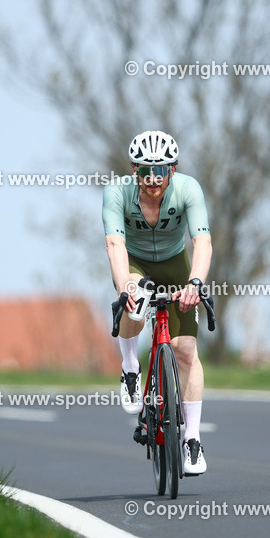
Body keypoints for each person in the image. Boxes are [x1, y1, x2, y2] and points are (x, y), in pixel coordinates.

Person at [102, 130, 212, 474]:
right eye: (145, 170)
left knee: (185, 350)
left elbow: (202, 242)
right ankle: (131, 367)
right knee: (134, 305)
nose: (153, 179)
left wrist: (195, 282)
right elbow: (115, 245)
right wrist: (125, 288)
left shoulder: (188, 189)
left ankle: (192, 439)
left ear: (173, 169)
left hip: (175, 262)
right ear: (134, 170)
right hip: (134, 262)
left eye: (161, 170)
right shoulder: (116, 192)